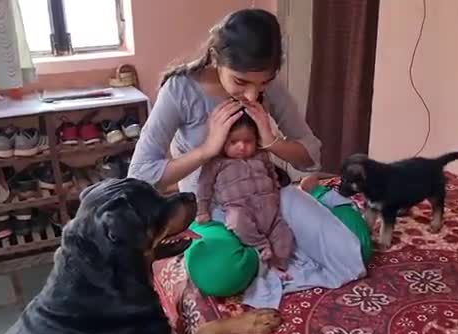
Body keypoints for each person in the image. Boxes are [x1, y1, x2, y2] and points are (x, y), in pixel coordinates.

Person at [128, 8, 367, 309]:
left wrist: (271, 142)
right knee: (217, 273)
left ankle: (317, 197)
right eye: (241, 82)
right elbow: (139, 177)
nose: (252, 95)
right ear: (216, 58)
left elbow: (310, 157)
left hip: (269, 198)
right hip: (214, 210)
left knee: (356, 247)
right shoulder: (180, 90)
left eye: (263, 83)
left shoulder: (268, 87)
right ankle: (267, 250)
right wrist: (207, 150)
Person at [196, 112, 294, 280]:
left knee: (285, 235)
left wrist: (275, 187)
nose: (241, 146)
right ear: (221, 142)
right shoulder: (216, 163)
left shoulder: (261, 156)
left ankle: (277, 266)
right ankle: (261, 246)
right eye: (234, 142)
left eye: (248, 141)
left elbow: (271, 172)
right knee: (236, 222)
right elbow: (203, 187)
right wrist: (202, 210)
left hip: (270, 210)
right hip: (240, 209)